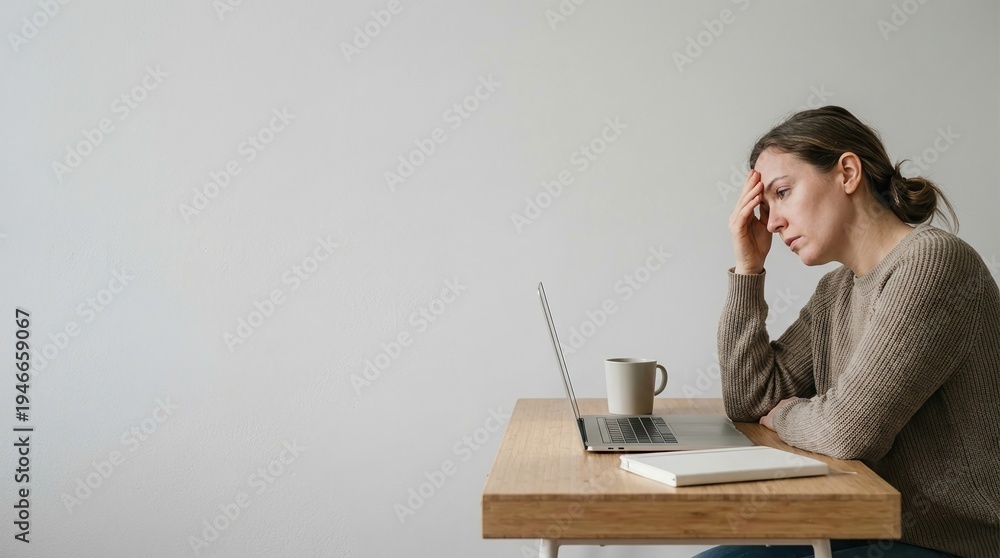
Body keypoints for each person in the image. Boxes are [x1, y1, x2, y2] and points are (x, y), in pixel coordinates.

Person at [694, 106, 1000, 558]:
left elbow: (846, 431)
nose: (772, 222)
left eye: (782, 193)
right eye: (766, 206)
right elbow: (750, 401)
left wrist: (786, 414)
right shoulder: (836, 290)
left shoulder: (934, 263)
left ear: (848, 173)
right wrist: (748, 269)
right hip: (874, 523)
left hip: (955, 542)